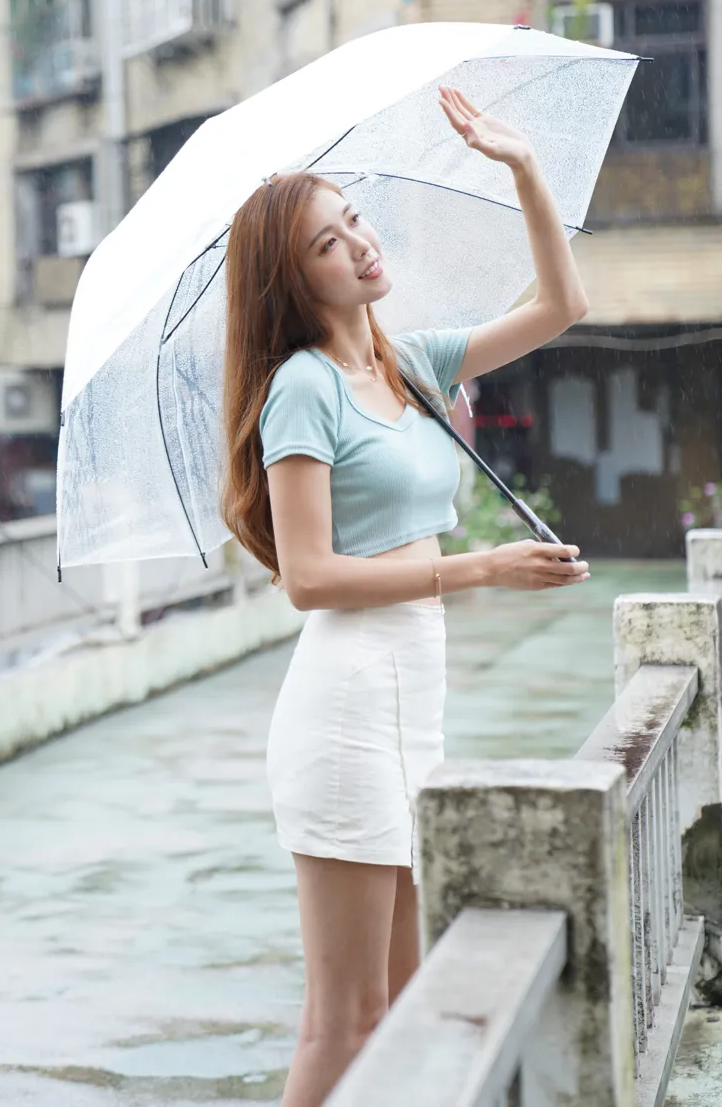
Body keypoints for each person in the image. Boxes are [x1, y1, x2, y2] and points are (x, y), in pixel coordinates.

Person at [220, 85, 591, 1107]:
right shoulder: (301, 386)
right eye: (327, 246)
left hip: (405, 703)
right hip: (343, 712)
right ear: (292, 284)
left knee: (402, 1002)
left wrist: (519, 168)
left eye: (355, 222)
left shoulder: (410, 364)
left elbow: (562, 308)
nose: (359, 247)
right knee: (339, 1022)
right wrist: (480, 567)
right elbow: (307, 579)